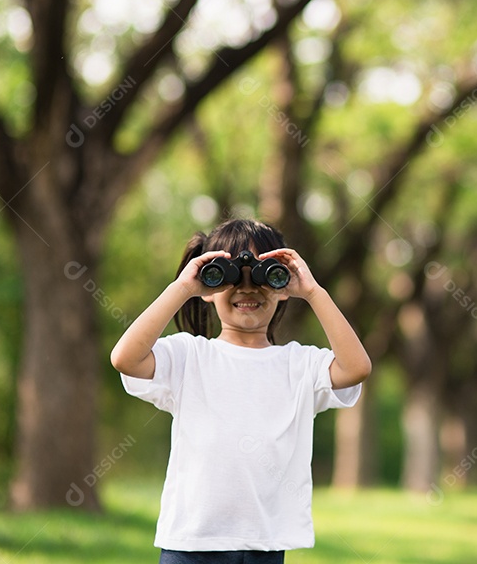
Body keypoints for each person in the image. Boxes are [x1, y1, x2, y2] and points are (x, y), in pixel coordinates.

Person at [110, 218, 372, 564]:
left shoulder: (299, 364)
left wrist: (313, 291)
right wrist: (183, 287)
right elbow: (125, 358)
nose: (247, 288)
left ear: (281, 286)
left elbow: (357, 367)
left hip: (264, 543)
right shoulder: (189, 356)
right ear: (209, 285)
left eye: (264, 276)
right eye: (231, 275)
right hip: (192, 542)